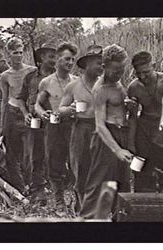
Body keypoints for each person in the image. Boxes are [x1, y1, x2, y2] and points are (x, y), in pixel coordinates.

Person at [80, 44, 133, 219]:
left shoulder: (117, 81)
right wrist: (116, 149)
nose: (120, 73)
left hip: (121, 135)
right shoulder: (101, 89)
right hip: (106, 139)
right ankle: (89, 219)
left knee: (121, 184)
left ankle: (119, 220)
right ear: (104, 67)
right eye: (116, 70)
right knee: (100, 184)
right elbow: (100, 125)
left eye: (122, 69)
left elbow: (118, 107)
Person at [59, 45, 103, 212]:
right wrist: (69, 110)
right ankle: (82, 207)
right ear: (88, 64)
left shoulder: (108, 84)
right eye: (99, 63)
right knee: (81, 167)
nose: (102, 67)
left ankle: (101, 207)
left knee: (101, 169)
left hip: (103, 130)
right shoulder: (73, 86)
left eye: (103, 64)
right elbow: (61, 109)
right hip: (81, 130)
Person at [35, 42, 78, 213]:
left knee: (76, 164)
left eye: (73, 60)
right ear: (58, 59)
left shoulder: (77, 81)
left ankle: (78, 201)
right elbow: (37, 104)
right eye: (67, 59)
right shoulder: (47, 82)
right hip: (54, 127)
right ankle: (59, 201)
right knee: (54, 164)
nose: (70, 62)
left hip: (74, 127)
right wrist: (42, 113)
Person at [127, 51, 163, 192]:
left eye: (146, 72)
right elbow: (132, 117)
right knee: (140, 169)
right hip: (144, 130)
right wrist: (131, 143)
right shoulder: (133, 87)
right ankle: (141, 203)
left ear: (154, 66)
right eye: (139, 73)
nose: (143, 77)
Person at [16, 43, 56, 204]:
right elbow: (20, 99)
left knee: (56, 155)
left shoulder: (61, 76)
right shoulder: (30, 78)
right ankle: (38, 191)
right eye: (51, 56)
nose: (55, 59)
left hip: (56, 123)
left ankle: (59, 188)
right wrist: (25, 113)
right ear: (41, 58)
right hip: (35, 122)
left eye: (56, 56)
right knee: (36, 156)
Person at [0, 38, 37, 194]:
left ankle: (33, 184)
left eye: (21, 52)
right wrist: (2, 124)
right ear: (9, 54)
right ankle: (21, 187)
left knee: (31, 151)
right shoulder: (5, 76)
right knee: (12, 153)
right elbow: (4, 100)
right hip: (11, 113)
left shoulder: (32, 71)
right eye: (15, 52)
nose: (19, 56)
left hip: (29, 114)